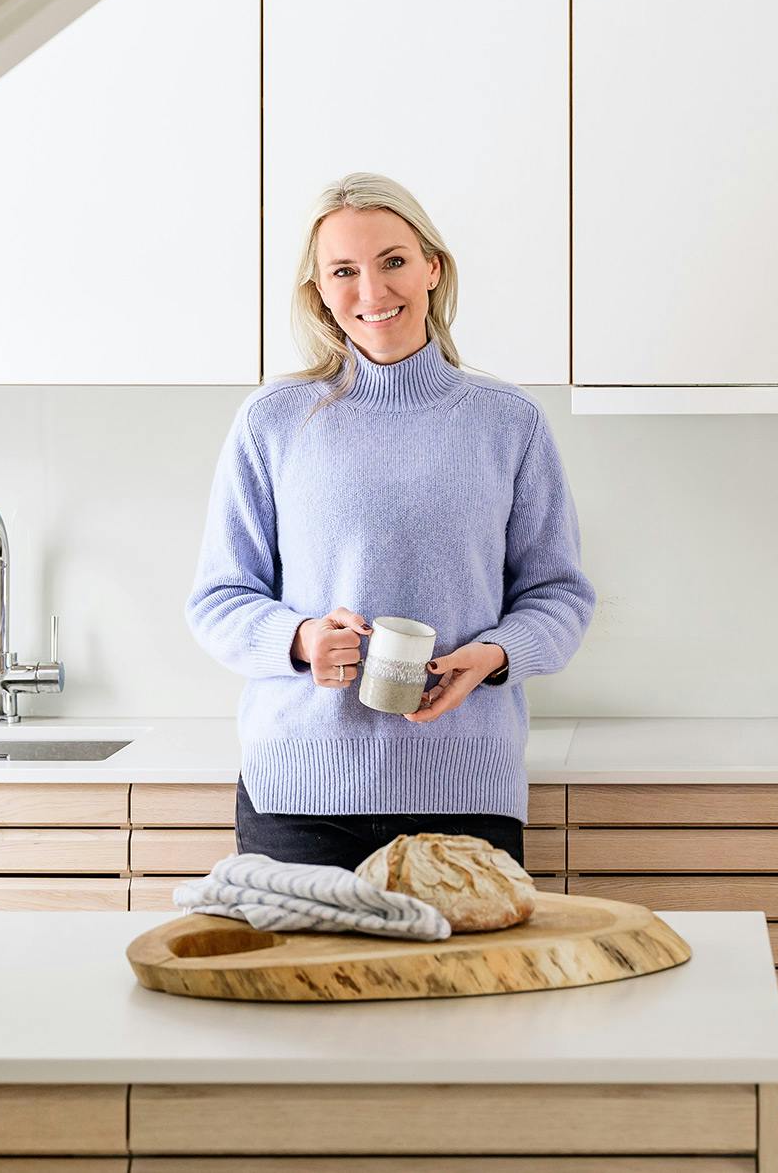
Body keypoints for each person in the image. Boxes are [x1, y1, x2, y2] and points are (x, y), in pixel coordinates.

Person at [185, 172, 595, 868]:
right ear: (318, 290)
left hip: (466, 793)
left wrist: (493, 659)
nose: (373, 292)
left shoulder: (510, 423)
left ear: (433, 267)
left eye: (394, 261)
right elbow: (219, 599)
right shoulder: (271, 422)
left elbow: (559, 596)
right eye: (344, 270)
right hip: (299, 798)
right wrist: (302, 638)